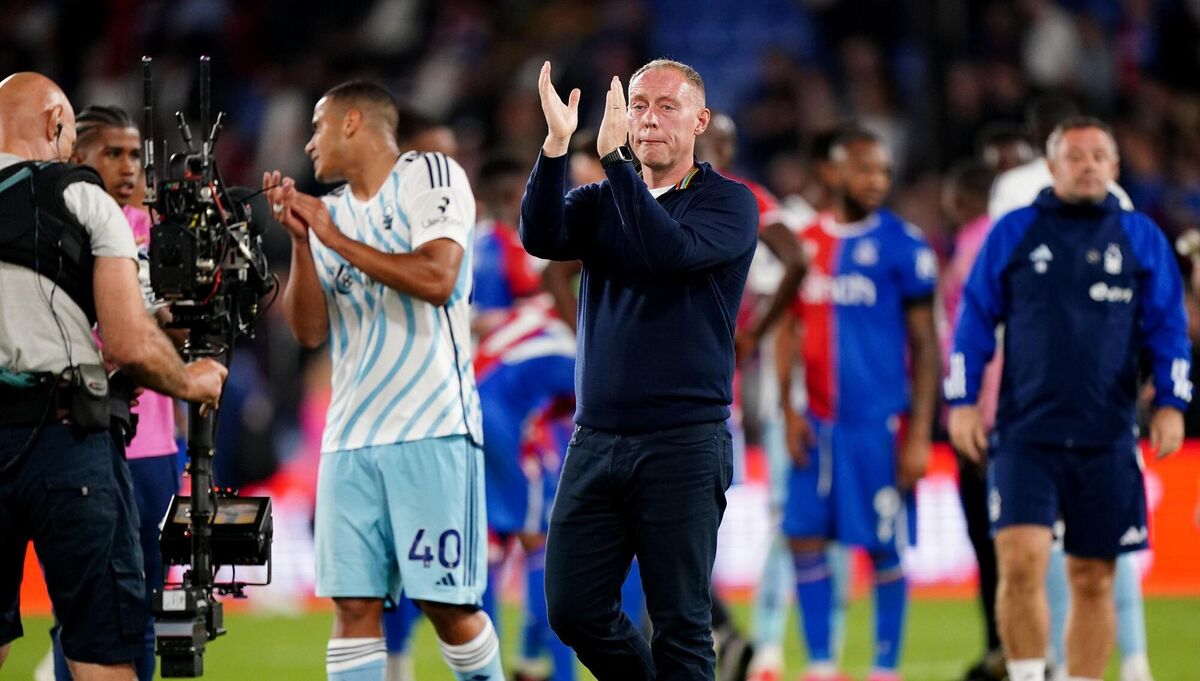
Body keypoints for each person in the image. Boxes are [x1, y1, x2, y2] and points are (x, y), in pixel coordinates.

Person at [521, 59, 758, 681]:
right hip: (596, 438)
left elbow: (667, 251)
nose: (648, 118)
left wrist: (618, 167)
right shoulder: (604, 198)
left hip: (683, 440)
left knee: (680, 622)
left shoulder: (729, 204)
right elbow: (540, 236)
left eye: (666, 106)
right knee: (573, 609)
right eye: (639, 105)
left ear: (700, 121)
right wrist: (553, 146)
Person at [265, 79, 499, 681]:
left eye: (317, 127)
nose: (308, 144)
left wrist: (333, 237)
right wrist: (302, 241)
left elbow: (438, 276)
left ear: (350, 123)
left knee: (447, 604)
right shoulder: (330, 211)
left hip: (431, 429)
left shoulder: (430, 177)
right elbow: (310, 332)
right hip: (349, 439)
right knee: (353, 605)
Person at [946, 117, 1190, 681]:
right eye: (1075, 156)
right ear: (1052, 167)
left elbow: (1169, 330)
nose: (1088, 165)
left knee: (1093, 576)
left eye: (1099, 156)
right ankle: (1031, 674)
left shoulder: (1141, 236)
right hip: (1024, 434)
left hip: (1107, 435)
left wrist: (1173, 402)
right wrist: (961, 401)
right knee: (1021, 562)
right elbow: (973, 321)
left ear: (1115, 168)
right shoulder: (1013, 231)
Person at [0, 72, 226, 681]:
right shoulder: (81, 196)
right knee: (105, 648)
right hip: (65, 442)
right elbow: (127, 340)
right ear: (55, 126)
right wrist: (193, 382)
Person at [987, 99, 1151, 681]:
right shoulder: (1020, 206)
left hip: (1072, 401)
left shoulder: (1013, 194)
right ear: (1052, 150)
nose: (1088, 164)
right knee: (1054, 560)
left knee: (1077, 563)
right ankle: (1121, 664)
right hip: (1051, 402)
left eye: (1098, 153)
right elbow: (997, 302)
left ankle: (1090, 665)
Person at [779, 127, 940, 681]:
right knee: (803, 535)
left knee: (883, 545)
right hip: (815, 422)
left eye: (884, 172)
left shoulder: (904, 244)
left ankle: (884, 668)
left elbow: (926, 346)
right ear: (832, 172)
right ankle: (822, 665)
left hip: (878, 425)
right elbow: (784, 329)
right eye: (864, 169)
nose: (877, 181)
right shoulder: (802, 244)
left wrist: (919, 434)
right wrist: (786, 407)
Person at [36, 104, 185, 681]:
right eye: (112, 154)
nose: (128, 168)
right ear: (77, 159)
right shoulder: (61, 233)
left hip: (154, 451)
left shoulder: (164, 235)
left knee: (147, 602)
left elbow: (175, 336)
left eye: (135, 156)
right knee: (82, 607)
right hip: (81, 439)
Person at [474, 297, 578, 681]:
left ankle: (494, 670)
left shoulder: (536, 311)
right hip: (505, 421)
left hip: (466, 407)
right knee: (542, 543)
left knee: (489, 551)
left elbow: (483, 327)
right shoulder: (578, 341)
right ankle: (559, 672)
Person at [938, 159, 1005, 681]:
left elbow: (974, 341)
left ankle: (1003, 649)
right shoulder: (999, 242)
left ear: (962, 201)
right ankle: (1002, 648)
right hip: (998, 412)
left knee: (994, 542)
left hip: (984, 416)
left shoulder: (974, 246)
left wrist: (972, 413)